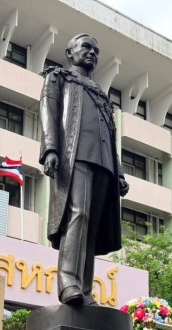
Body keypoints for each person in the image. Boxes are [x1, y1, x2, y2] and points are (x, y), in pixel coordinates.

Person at [39, 33, 129, 306]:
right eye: (86, 47)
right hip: (74, 156)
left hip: (104, 164)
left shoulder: (101, 94)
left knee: (92, 225)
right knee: (78, 214)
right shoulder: (59, 78)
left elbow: (111, 136)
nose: (92, 53)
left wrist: (119, 172)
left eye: (96, 51)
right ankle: (68, 282)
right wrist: (50, 149)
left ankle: (85, 290)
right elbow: (48, 112)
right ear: (70, 52)